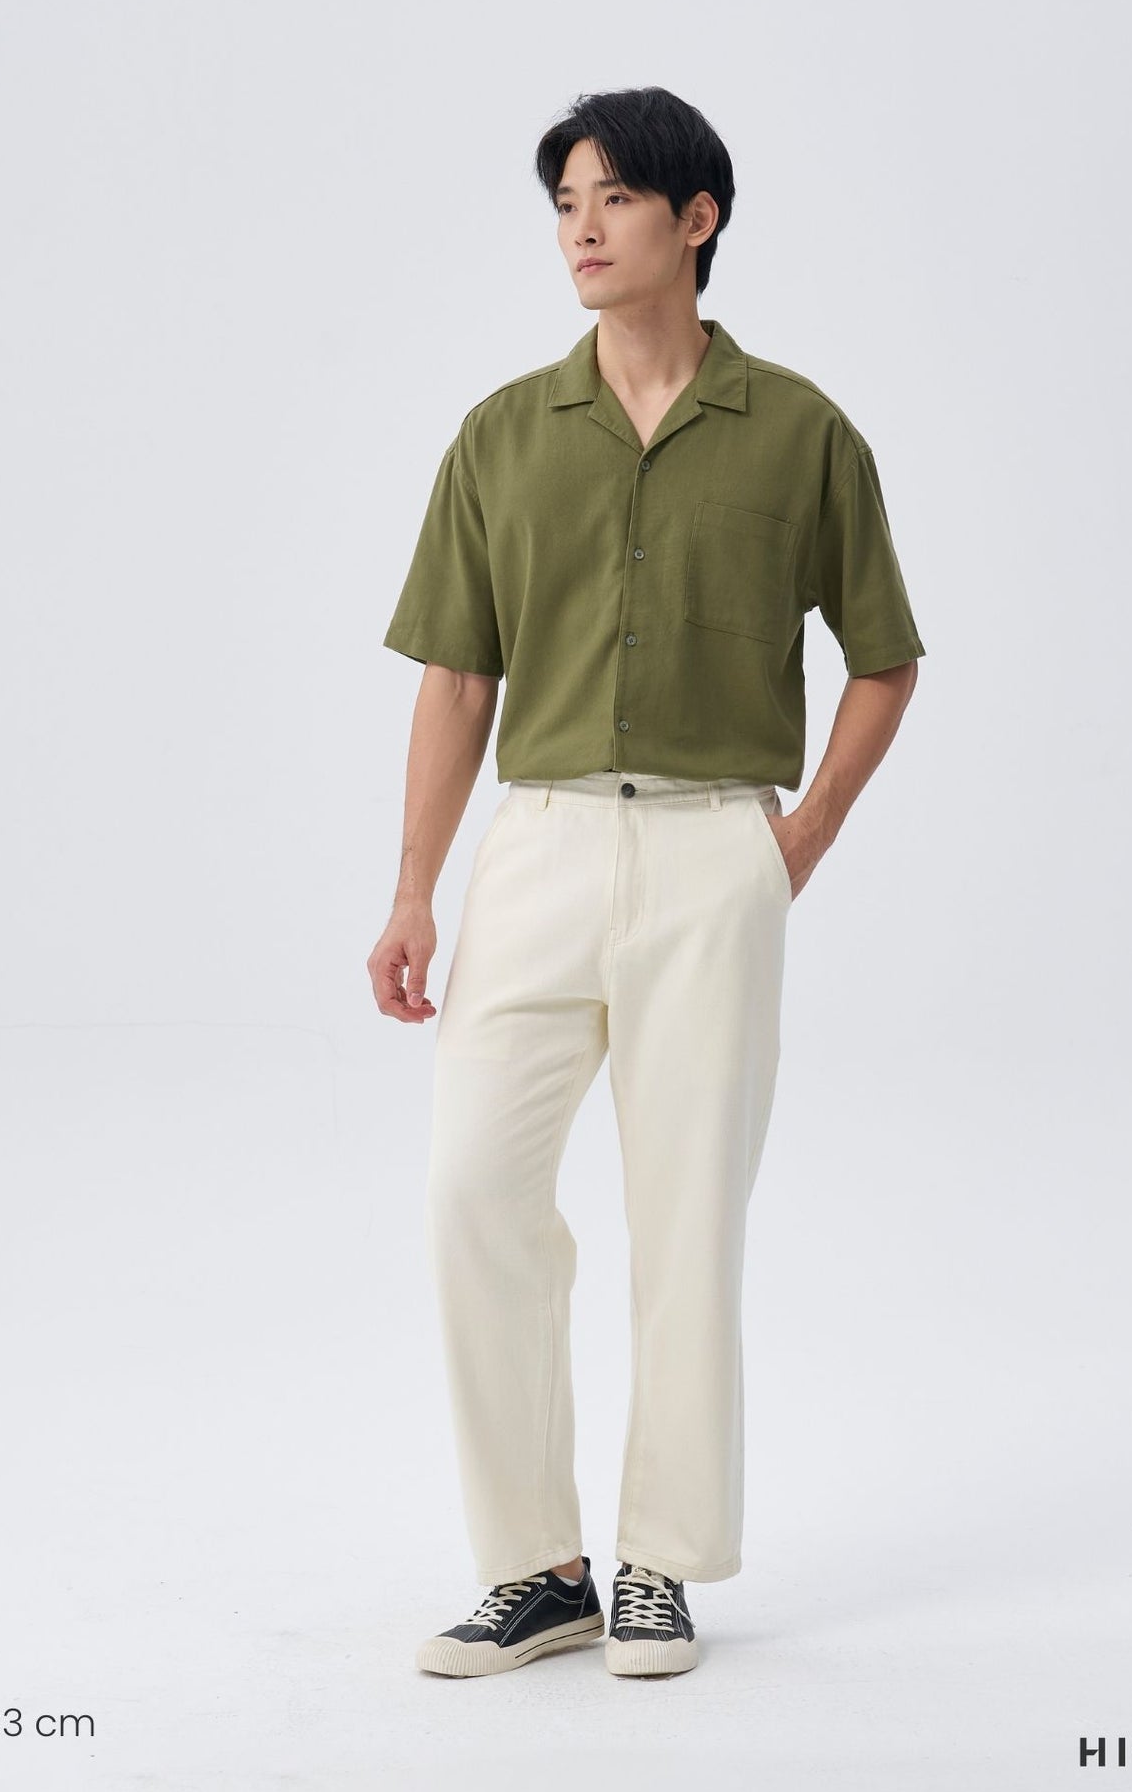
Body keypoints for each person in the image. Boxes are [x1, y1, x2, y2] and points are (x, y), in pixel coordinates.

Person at [369, 86, 924, 1679]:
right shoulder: (500, 434)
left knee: (686, 1216)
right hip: (536, 845)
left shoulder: (800, 432)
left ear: (696, 219)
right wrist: (413, 890)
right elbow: (456, 678)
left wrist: (798, 836)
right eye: (563, 203)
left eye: (611, 198)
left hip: (711, 854)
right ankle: (537, 1568)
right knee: (472, 1191)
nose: (580, 229)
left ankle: (661, 1563)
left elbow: (883, 656)